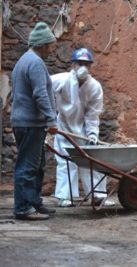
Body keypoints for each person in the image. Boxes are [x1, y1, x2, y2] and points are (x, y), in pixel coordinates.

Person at [52, 48, 114, 207]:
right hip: (63, 127)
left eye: (87, 64)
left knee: (92, 162)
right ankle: (66, 197)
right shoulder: (61, 80)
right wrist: (49, 118)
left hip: (84, 131)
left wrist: (93, 134)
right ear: (73, 64)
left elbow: (93, 114)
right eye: (80, 63)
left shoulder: (94, 87)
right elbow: (43, 89)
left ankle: (97, 195)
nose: (83, 67)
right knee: (66, 162)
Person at [11, 22, 58, 220]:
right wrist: (51, 120)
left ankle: (34, 202)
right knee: (28, 167)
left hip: (27, 122)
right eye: (50, 46)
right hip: (30, 123)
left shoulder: (23, 60)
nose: (51, 50)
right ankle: (22, 208)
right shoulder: (36, 63)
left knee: (37, 166)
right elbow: (40, 94)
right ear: (43, 45)